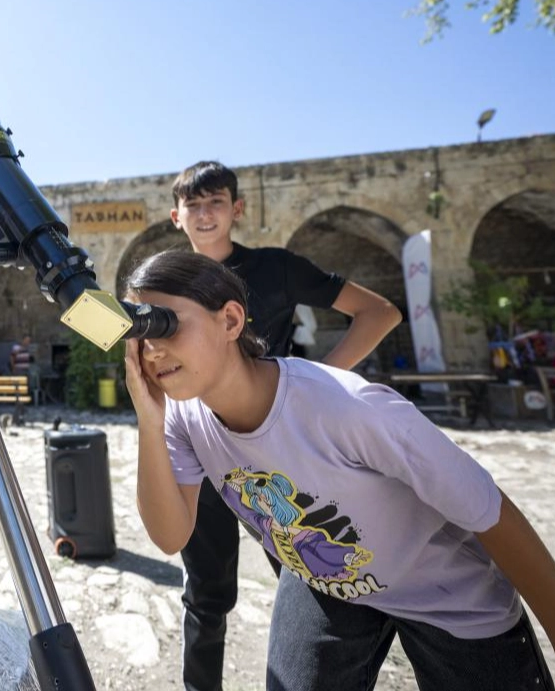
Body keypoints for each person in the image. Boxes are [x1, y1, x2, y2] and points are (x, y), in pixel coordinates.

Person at [123, 250, 555, 690]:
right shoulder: (183, 418)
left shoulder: (347, 407)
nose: (153, 350)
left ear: (230, 319)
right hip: (326, 583)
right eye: (140, 337)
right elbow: (170, 535)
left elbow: (493, 512)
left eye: (165, 325)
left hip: (446, 593)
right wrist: (149, 419)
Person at [168, 161, 402, 691]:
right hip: (200, 447)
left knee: (309, 578)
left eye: (216, 202)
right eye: (194, 205)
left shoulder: (276, 268)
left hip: (273, 451)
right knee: (206, 594)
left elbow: (379, 312)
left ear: (237, 209)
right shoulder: (168, 283)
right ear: (175, 214)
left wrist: (312, 384)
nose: (205, 214)